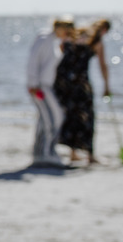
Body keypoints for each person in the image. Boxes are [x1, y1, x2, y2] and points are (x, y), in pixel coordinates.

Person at [54, 18, 112, 163]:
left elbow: (62, 50)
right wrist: (106, 86)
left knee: (71, 115)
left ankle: (73, 152)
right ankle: (90, 155)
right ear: (104, 30)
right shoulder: (95, 41)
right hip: (81, 83)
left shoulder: (74, 35)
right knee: (88, 117)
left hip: (63, 82)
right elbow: (103, 66)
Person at [26, 16, 76, 166]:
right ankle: (45, 153)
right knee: (52, 119)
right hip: (40, 87)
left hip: (46, 86)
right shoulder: (44, 38)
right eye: (67, 31)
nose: (67, 35)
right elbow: (33, 61)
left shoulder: (53, 42)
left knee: (50, 118)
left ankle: (43, 152)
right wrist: (33, 84)